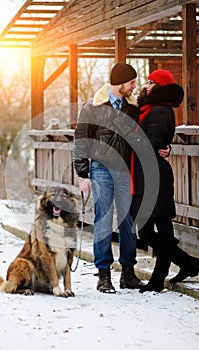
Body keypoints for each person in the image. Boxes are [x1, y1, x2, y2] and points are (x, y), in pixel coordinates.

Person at [114, 69, 198, 292]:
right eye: (147, 81)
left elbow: (149, 143)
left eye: (152, 82)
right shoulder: (149, 109)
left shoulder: (160, 111)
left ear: (160, 87)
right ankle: (188, 263)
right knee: (147, 230)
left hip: (155, 177)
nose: (146, 85)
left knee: (158, 227)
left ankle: (158, 279)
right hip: (145, 175)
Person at [73, 62, 145, 293]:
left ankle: (128, 273)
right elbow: (81, 140)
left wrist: (164, 149)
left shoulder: (132, 107)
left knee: (128, 222)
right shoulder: (92, 108)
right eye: (132, 82)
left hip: (125, 171)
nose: (134, 86)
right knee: (103, 221)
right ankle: (103, 275)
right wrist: (82, 173)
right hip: (101, 170)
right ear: (120, 83)